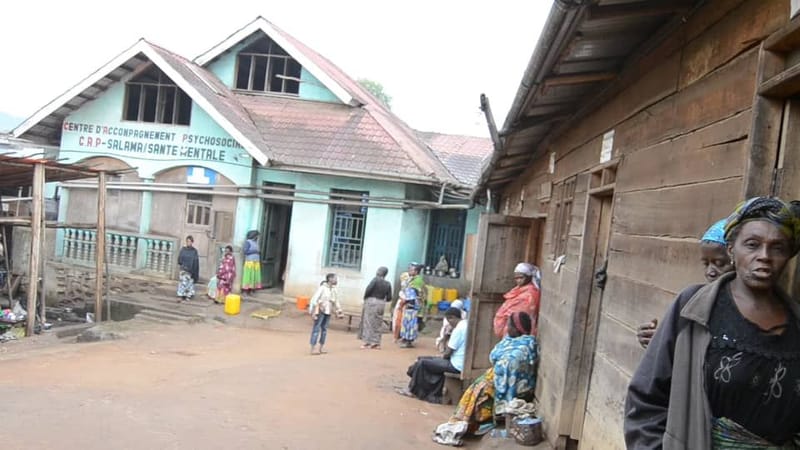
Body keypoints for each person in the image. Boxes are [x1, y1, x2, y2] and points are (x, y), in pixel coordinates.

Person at [625, 197, 800, 449]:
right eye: (752, 245)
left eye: (778, 248)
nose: (764, 256)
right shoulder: (694, 309)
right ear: (731, 249)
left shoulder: (795, 325)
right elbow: (645, 400)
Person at [636, 218, 734, 348]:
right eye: (706, 264)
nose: (710, 272)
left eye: (720, 264)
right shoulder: (694, 300)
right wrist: (659, 338)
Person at [440, 311, 539, 437]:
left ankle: (476, 423)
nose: (507, 328)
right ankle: (467, 422)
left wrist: (492, 381)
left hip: (512, 387)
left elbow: (508, 376)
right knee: (476, 388)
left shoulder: (520, 350)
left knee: (481, 392)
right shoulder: (511, 342)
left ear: (516, 328)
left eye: (509, 325)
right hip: (498, 378)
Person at [397, 307, 467, 403]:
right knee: (423, 359)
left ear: (452, 318)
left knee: (422, 363)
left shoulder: (458, 330)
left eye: (449, 320)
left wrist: (444, 345)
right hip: (459, 362)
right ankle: (416, 379)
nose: (449, 324)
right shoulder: (465, 325)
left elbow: (448, 353)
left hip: (455, 364)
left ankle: (412, 389)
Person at [493, 262, 541, 337]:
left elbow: (520, 317)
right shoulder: (518, 290)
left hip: (518, 333)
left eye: (521, 277)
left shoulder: (530, 294)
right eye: (516, 278)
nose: (518, 280)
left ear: (529, 277)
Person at [309, 273, 344, 355]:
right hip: (321, 311)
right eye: (335, 278)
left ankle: (321, 347)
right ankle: (313, 348)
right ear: (330, 279)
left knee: (324, 330)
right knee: (316, 329)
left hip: (328, 311)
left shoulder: (334, 289)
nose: (336, 280)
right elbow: (314, 299)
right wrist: (313, 310)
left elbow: (336, 300)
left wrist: (339, 310)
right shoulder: (322, 288)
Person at [359, 266, 393, 349]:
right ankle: (376, 342)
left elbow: (368, 290)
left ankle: (367, 342)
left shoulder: (375, 280)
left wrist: (366, 298)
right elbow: (389, 297)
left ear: (379, 272)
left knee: (368, 322)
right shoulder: (388, 284)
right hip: (381, 303)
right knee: (378, 323)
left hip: (372, 301)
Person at [398, 262, 426, 348]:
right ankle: (406, 338)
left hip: (413, 305)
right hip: (412, 304)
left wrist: (402, 304)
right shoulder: (413, 279)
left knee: (410, 323)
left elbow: (410, 295)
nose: (409, 271)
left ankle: (408, 341)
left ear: (416, 271)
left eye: (411, 270)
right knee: (408, 322)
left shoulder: (416, 281)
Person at [176, 235, 199, 302]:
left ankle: (188, 296)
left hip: (191, 270)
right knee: (182, 282)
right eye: (187, 241)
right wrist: (183, 265)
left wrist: (194, 271)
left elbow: (196, 261)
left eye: (190, 241)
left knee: (190, 283)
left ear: (192, 242)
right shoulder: (183, 250)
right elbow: (180, 259)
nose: (188, 243)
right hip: (183, 269)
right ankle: (180, 295)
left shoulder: (194, 251)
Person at [241, 230, 262, 296]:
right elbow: (245, 251)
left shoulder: (256, 243)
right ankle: (245, 291)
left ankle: (252, 290)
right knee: (248, 276)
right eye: (257, 236)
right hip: (250, 262)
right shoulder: (248, 242)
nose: (258, 237)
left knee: (254, 277)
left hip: (256, 263)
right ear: (254, 236)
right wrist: (255, 251)